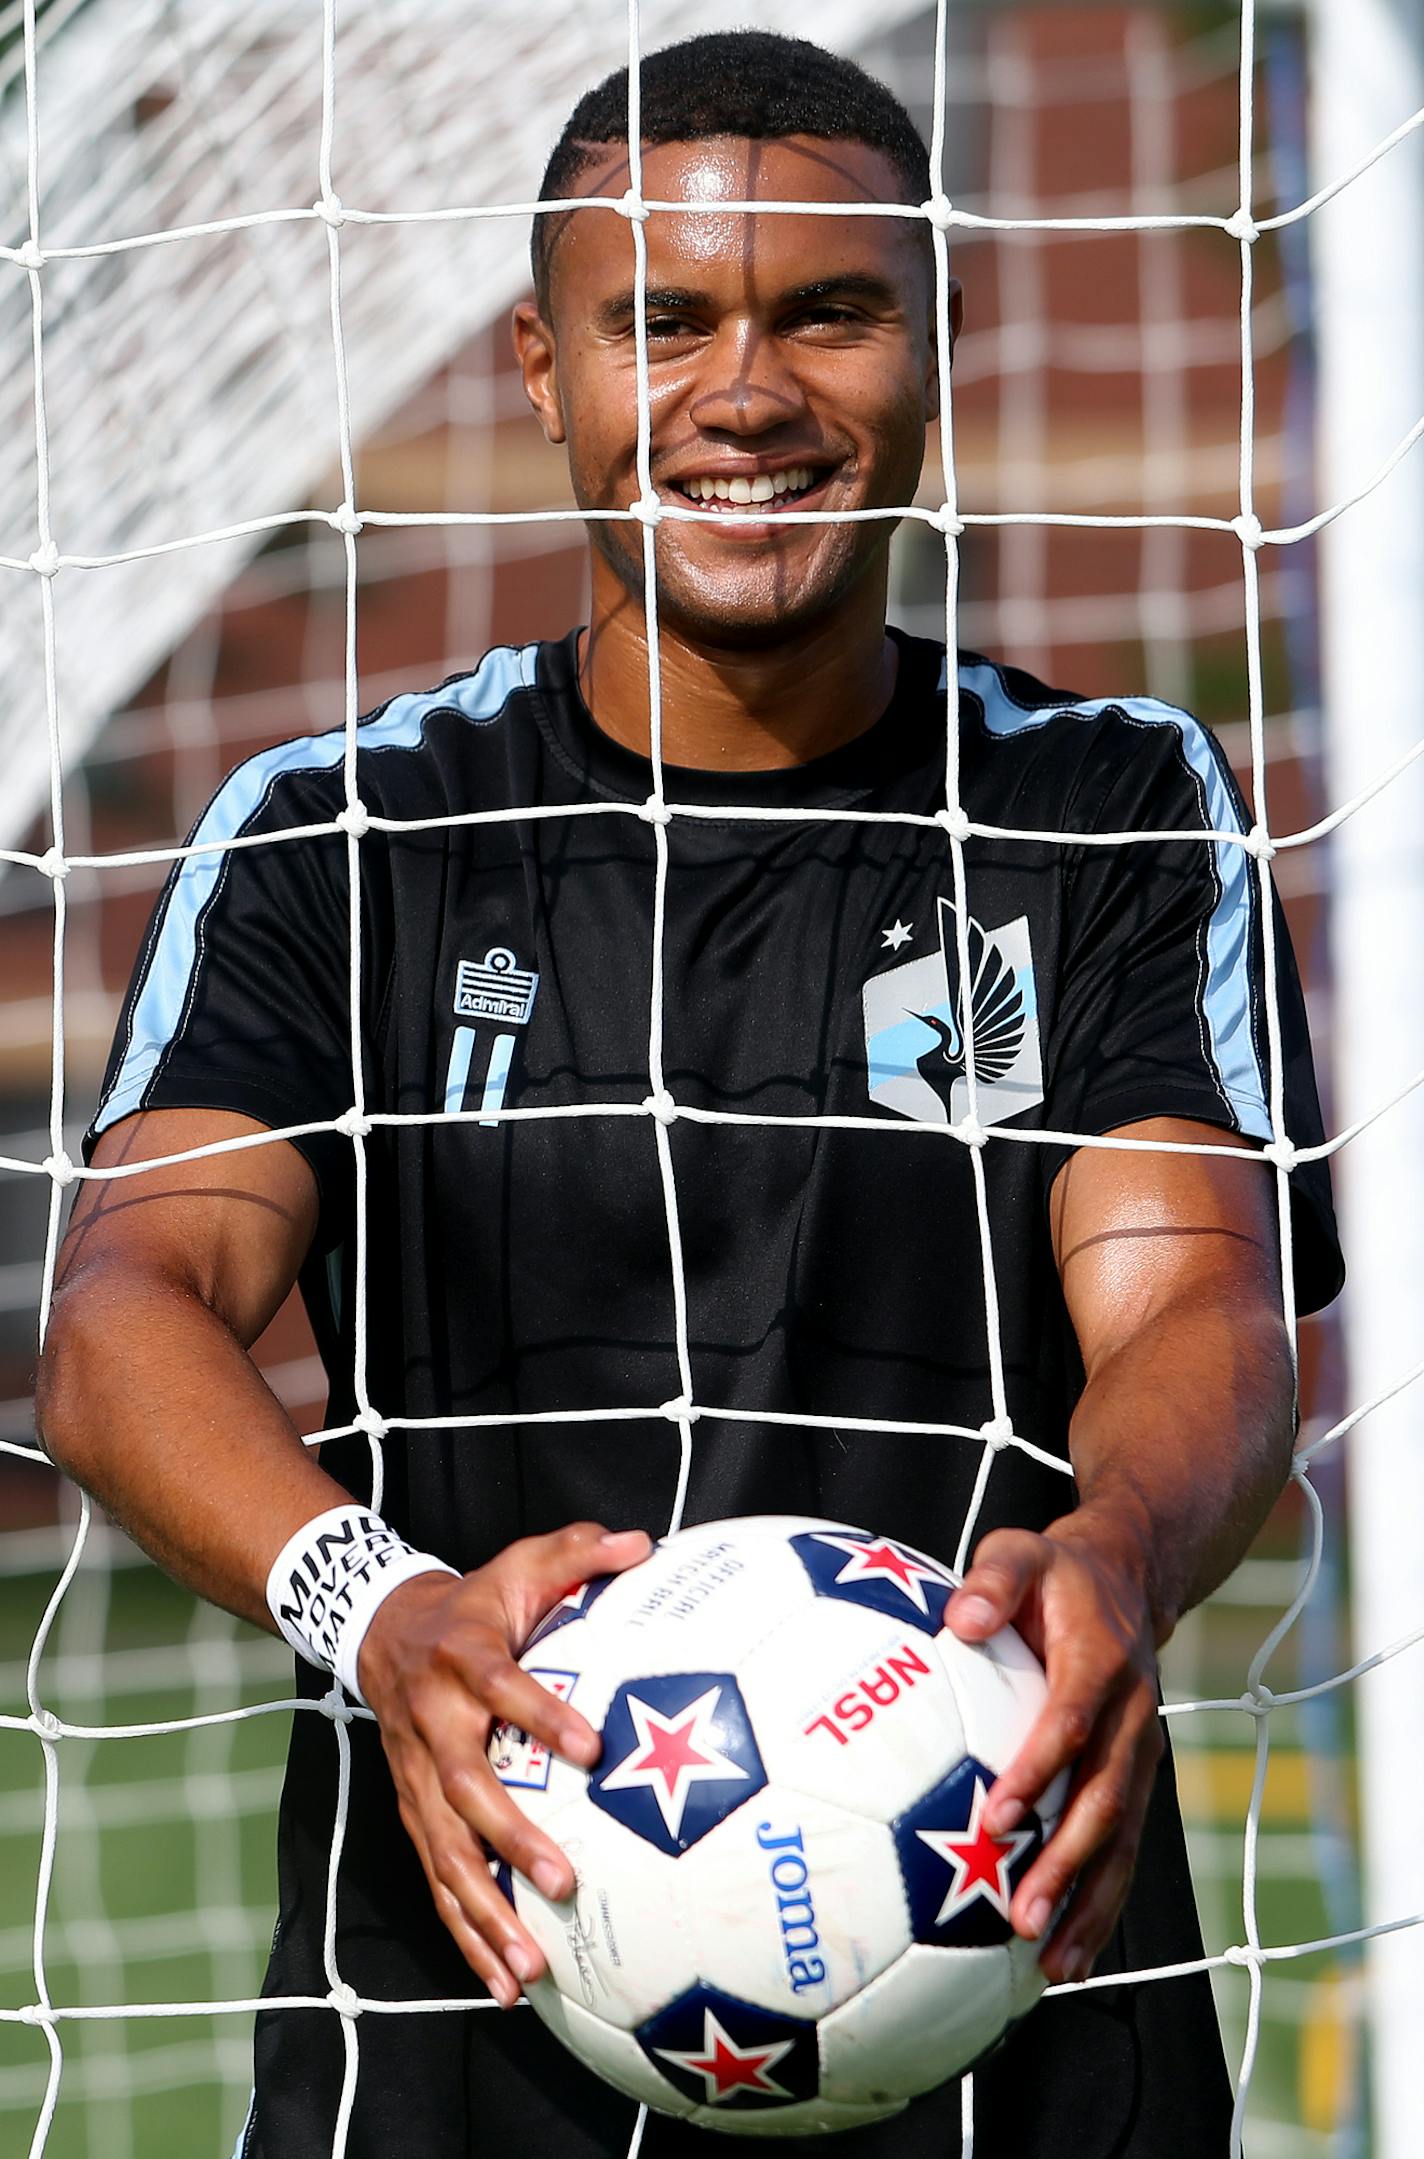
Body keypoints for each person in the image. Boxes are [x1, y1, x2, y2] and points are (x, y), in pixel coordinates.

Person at [38, 30, 1341, 2159]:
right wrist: (382, 1613)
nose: (745, 395)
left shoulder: (1110, 811)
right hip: (453, 2039)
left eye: (827, 310)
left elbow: (1195, 1299)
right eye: (666, 321)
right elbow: (120, 1324)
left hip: (1015, 2015)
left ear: (938, 336)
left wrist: (1114, 1546)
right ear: (543, 367)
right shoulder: (340, 829)